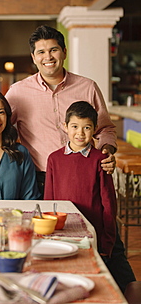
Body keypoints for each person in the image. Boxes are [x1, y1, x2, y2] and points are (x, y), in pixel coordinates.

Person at [5, 25, 117, 198]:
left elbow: (105, 128)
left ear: (64, 52)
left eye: (53, 50)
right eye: (41, 52)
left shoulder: (88, 87)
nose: (48, 57)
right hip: (38, 179)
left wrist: (106, 151)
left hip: (85, 175)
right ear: (33, 57)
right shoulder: (18, 92)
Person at [44, 101, 136, 293]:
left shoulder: (100, 160)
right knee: (69, 278)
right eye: (75, 126)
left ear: (94, 130)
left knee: (95, 282)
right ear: (65, 127)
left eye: (87, 128)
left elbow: (108, 203)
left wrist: (108, 240)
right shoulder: (54, 159)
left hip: (93, 235)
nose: (80, 133)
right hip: (64, 234)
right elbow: (49, 201)